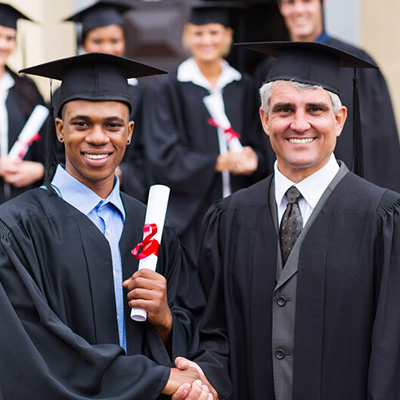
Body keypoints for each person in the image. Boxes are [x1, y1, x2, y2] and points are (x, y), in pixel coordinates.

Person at [0, 52, 221, 400]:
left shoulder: (152, 227)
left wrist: (165, 321)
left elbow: (197, 331)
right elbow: (32, 347)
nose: (98, 137)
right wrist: (156, 378)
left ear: (129, 132)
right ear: (60, 129)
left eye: (113, 125)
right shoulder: (15, 229)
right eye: (82, 123)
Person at [194, 41, 400, 399]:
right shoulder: (229, 219)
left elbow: (392, 349)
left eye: (316, 109)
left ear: (339, 120)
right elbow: (214, 335)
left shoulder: (382, 218)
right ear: (264, 119)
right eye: (285, 109)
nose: (299, 123)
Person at [143, 2, 270, 257]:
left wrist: (256, 157)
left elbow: (262, 141)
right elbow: (163, 156)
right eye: (198, 33)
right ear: (187, 36)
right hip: (191, 221)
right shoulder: (166, 90)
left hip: (242, 214)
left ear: (227, 36)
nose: (206, 40)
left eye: (213, 33)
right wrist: (220, 162)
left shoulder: (245, 87)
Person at [253, 0, 400, 191]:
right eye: (290, 2)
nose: (298, 10)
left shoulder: (359, 65)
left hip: (355, 200)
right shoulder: (266, 71)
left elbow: (384, 145)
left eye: (306, 1)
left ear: (322, 5)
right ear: (281, 7)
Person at [59, 0, 150, 203]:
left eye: (115, 40)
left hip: (131, 194)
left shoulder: (145, 93)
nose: (107, 47)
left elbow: (154, 154)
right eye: (98, 41)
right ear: (83, 43)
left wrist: (118, 172)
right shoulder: (63, 93)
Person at [0, 3, 46, 203]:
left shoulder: (26, 89)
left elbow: (49, 143)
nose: (3, 45)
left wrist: (40, 170)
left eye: (9, 38)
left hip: (22, 207)